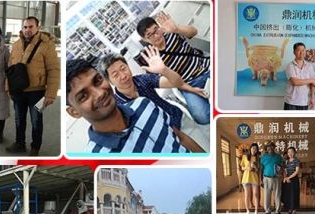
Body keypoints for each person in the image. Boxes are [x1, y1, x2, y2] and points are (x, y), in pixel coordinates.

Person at [65, 58, 202, 153]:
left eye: (97, 81)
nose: (99, 93)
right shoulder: (97, 157)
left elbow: (180, 137)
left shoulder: (144, 103)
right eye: (83, 96)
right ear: (74, 112)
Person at [137, 12, 211, 125]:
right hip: (187, 85)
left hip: (206, 69)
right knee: (202, 116)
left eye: (156, 30)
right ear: (145, 39)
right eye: (150, 35)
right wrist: (163, 70)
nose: (156, 36)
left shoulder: (172, 33)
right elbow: (171, 82)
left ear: (159, 27)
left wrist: (177, 29)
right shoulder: (152, 58)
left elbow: (194, 31)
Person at [98, 48, 192, 130]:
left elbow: (177, 82)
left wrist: (164, 70)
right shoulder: (117, 106)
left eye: (123, 68)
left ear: (128, 66)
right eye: (115, 75)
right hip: (160, 139)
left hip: (178, 120)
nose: (123, 76)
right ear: (109, 81)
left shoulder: (142, 80)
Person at [6, 16, 60, 156]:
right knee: (19, 119)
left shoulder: (47, 44)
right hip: (18, 91)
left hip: (38, 91)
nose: (27, 30)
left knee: (36, 120)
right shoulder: (17, 44)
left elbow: (54, 69)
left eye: (30, 27)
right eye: (25, 27)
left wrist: (51, 94)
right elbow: (10, 68)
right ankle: (19, 144)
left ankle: (35, 147)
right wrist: (8, 87)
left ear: (38, 27)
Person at [284, 42, 315, 110]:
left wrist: (312, 98)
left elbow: (314, 84)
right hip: (291, 102)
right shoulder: (290, 66)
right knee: (289, 121)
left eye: (303, 50)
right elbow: (295, 82)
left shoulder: (309, 66)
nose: (301, 52)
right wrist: (311, 80)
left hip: (304, 101)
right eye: (298, 50)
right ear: (294, 52)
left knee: (302, 121)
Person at [260, 142, 284, 214]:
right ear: (266, 148)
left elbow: (281, 166)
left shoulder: (278, 157)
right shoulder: (263, 157)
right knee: (267, 195)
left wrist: (281, 172)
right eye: (268, 147)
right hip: (266, 178)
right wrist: (261, 179)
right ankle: (267, 211)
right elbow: (261, 168)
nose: (270, 148)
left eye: (271, 146)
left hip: (276, 178)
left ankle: (278, 211)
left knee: (277, 195)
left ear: (274, 147)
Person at [240, 143, 261, 214]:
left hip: (254, 178)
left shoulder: (258, 158)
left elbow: (258, 169)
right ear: (250, 148)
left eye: (256, 149)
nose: (254, 150)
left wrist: (255, 167)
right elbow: (242, 167)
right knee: (247, 195)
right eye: (253, 148)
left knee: (255, 194)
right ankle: (248, 211)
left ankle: (256, 211)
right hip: (246, 178)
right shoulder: (245, 156)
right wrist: (247, 168)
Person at [282, 147, 302, 214]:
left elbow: (296, 171)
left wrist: (289, 177)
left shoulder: (297, 161)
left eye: (292, 152)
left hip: (294, 180)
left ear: (294, 152)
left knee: (294, 195)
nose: (290, 153)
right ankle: (289, 209)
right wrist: (285, 177)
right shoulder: (286, 161)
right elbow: (284, 171)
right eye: (289, 152)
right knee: (288, 195)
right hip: (287, 180)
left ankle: (294, 210)